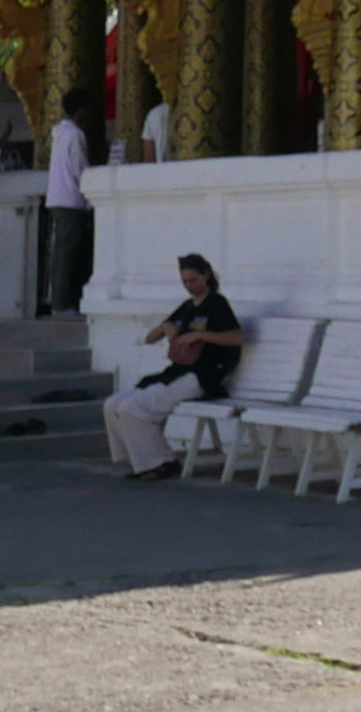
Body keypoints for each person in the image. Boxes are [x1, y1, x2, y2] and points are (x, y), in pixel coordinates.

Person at [104, 255, 245, 481]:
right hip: (177, 371)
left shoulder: (217, 304)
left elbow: (237, 337)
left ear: (206, 276)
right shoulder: (187, 307)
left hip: (203, 375)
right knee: (113, 404)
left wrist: (200, 335)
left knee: (133, 407)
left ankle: (162, 461)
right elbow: (150, 339)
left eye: (193, 280)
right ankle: (140, 460)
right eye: (185, 282)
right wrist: (165, 327)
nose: (190, 286)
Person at [40, 106, 96, 317]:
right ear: (80, 111)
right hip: (71, 199)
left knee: (61, 253)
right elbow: (79, 168)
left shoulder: (59, 134)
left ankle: (59, 302)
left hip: (57, 197)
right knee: (68, 255)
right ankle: (63, 305)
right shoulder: (74, 134)